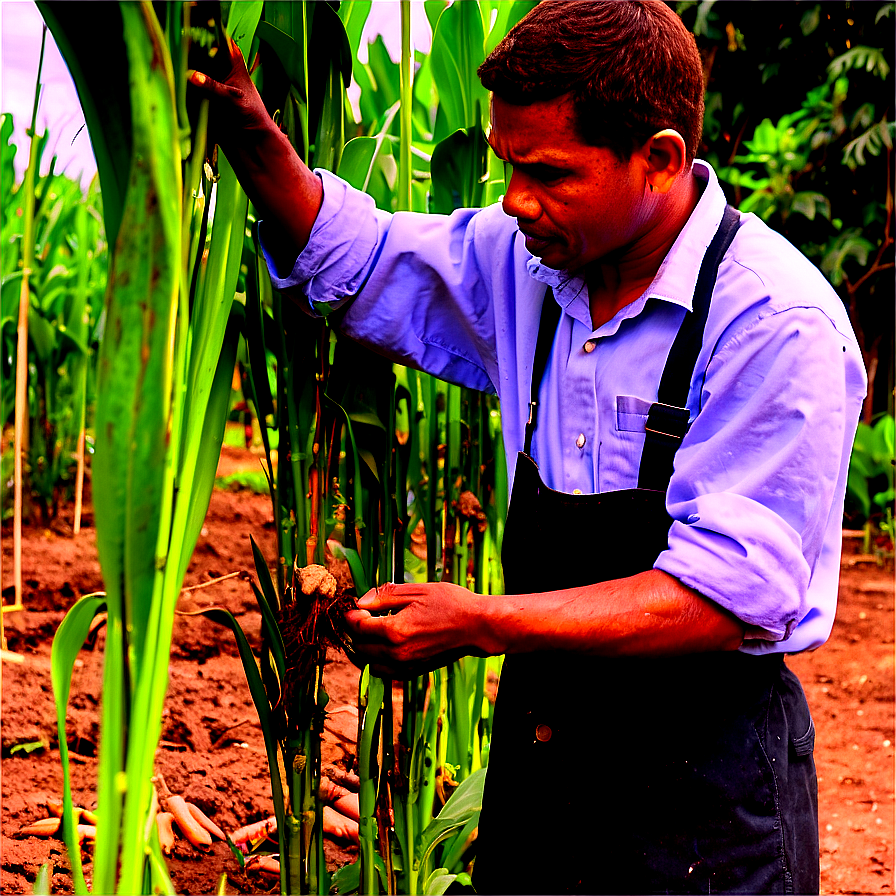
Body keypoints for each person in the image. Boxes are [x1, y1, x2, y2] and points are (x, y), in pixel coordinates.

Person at [191, 2, 866, 892]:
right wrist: (250, 131)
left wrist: (479, 621)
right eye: (509, 165)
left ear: (659, 160)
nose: (514, 201)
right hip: (542, 775)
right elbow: (359, 255)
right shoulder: (530, 264)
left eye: (549, 172)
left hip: (704, 805)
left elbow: (722, 601)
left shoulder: (774, 324)